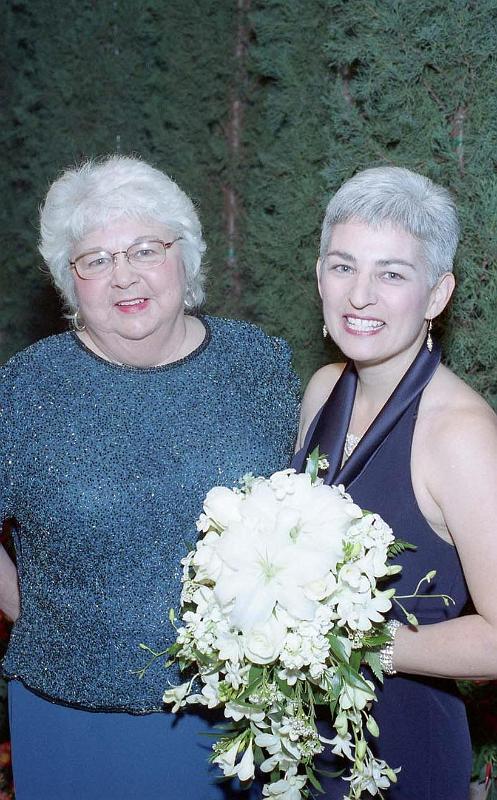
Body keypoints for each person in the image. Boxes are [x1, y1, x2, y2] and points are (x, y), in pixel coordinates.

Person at [0, 156, 300, 799]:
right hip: (71, 722)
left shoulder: (261, 365)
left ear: (184, 257)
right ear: (68, 280)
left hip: (232, 721)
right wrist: (36, 611)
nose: (123, 277)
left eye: (144, 249)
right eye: (96, 260)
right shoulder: (22, 390)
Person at [293, 166, 497, 799]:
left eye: (392, 274)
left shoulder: (460, 435)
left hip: (403, 747)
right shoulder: (323, 390)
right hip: (301, 741)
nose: (360, 296)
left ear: (437, 295)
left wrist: (358, 646)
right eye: (343, 266)